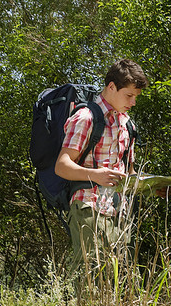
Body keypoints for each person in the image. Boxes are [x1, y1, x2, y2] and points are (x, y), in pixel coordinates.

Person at [54, 59, 148, 277]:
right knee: (90, 276)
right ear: (112, 87)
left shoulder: (127, 124)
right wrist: (96, 175)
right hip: (88, 206)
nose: (133, 102)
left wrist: (150, 186)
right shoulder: (86, 117)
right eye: (129, 95)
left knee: (116, 278)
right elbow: (62, 165)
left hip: (118, 212)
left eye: (136, 97)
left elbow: (129, 173)